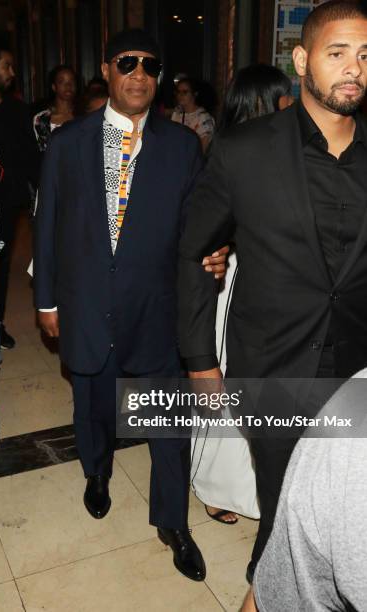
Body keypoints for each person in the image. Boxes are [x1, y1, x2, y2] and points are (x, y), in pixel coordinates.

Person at [178, 0, 367, 585]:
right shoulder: (245, 150)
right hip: (273, 366)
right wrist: (201, 367)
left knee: (341, 511)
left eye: (365, 56)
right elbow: (191, 253)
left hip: (356, 369)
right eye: (338, 53)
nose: (354, 68)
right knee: (283, 506)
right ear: (302, 58)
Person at [34, 28, 206, 582]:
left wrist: (215, 253)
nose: (139, 74)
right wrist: (45, 299)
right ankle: (97, 474)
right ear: (107, 71)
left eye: (150, 67)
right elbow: (48, 226)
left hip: (156, 308)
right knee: (94, 406)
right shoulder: (67, 143)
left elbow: (195, 232)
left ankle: (172, 521)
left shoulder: (182, 147)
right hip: (86, 302)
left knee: (168, 425)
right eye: (127, 64)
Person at [192, 64, 293, 527]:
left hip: (284, 287)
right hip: (235, 281)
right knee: (233, 385)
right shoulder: (231, 152)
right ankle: (216, 487)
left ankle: (259, 489)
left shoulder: (291, 149)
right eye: (283, 98)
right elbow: (205, 228)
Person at [241, 369, 367, 612]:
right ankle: (263, 565)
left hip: (344, 365)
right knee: (279, 498)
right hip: (277, 372)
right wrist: (201, 360)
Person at [0, 42, 40, 350]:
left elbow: (30, 156)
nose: (12, 73)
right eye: (7, 66)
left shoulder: (16, 108)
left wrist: (40, 192)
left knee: (0, 265)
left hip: (9, 201)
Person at [33, 64, 76, 152]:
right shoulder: (41, 119)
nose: (68, 85)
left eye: (72, 81)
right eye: (61, 81)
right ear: (54, 87)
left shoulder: (84, 114)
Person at [171, 78, 215, 153]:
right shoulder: (177, 113)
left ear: (195, 94)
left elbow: (202, 151)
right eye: (178, 92)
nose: (180, 95)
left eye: (185, 92)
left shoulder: (204, 119)